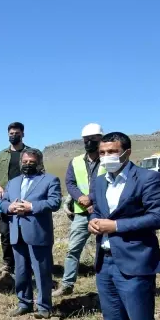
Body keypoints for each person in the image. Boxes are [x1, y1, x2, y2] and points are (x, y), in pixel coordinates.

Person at [88, 132, 160, 320]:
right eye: (102, 152)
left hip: (135, 262)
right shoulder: (98, 182)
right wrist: (94, 221)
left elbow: (159, 216)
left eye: (113, 151)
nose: (107, 156)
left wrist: (117, 226)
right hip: (105, 261)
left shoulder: (148, 178)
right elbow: (96, 210)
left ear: (127, 152)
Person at [0, 149, 61, 319]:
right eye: (25, 162)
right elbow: (3, 202)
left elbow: (55, 202)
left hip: (38, 233)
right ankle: (24, 303)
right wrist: (9, 208)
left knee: (41, 271)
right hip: (16, 232)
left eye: (31, 162)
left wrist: (31, 207)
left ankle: (44, 306)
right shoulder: (13, 182)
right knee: (20, 271)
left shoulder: (50, 180)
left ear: (39, 163)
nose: (27, 165)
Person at [54, 123, 105, 297]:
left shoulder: (108, 160)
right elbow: (70, 183)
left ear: (101, 139)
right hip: (82, 213)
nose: (89, 142)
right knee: (73, 250)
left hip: (104, 213)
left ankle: (104, 286)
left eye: (93, 139)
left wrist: (91, 197)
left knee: (104, 250)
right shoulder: (75, 161)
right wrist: (80, 198)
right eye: (86, 139)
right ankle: (67, 284)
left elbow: (111, 184)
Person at [0, 122, 31, 282]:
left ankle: (26, 263)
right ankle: (8, 263)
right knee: (5, 232)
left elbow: (40, 173)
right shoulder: (2, 155)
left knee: (24, 232)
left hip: (24, 199)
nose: (14, 135)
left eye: (17, 133)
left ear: (23, 134)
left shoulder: (30, 153)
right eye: (11, 133)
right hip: (4, 198)